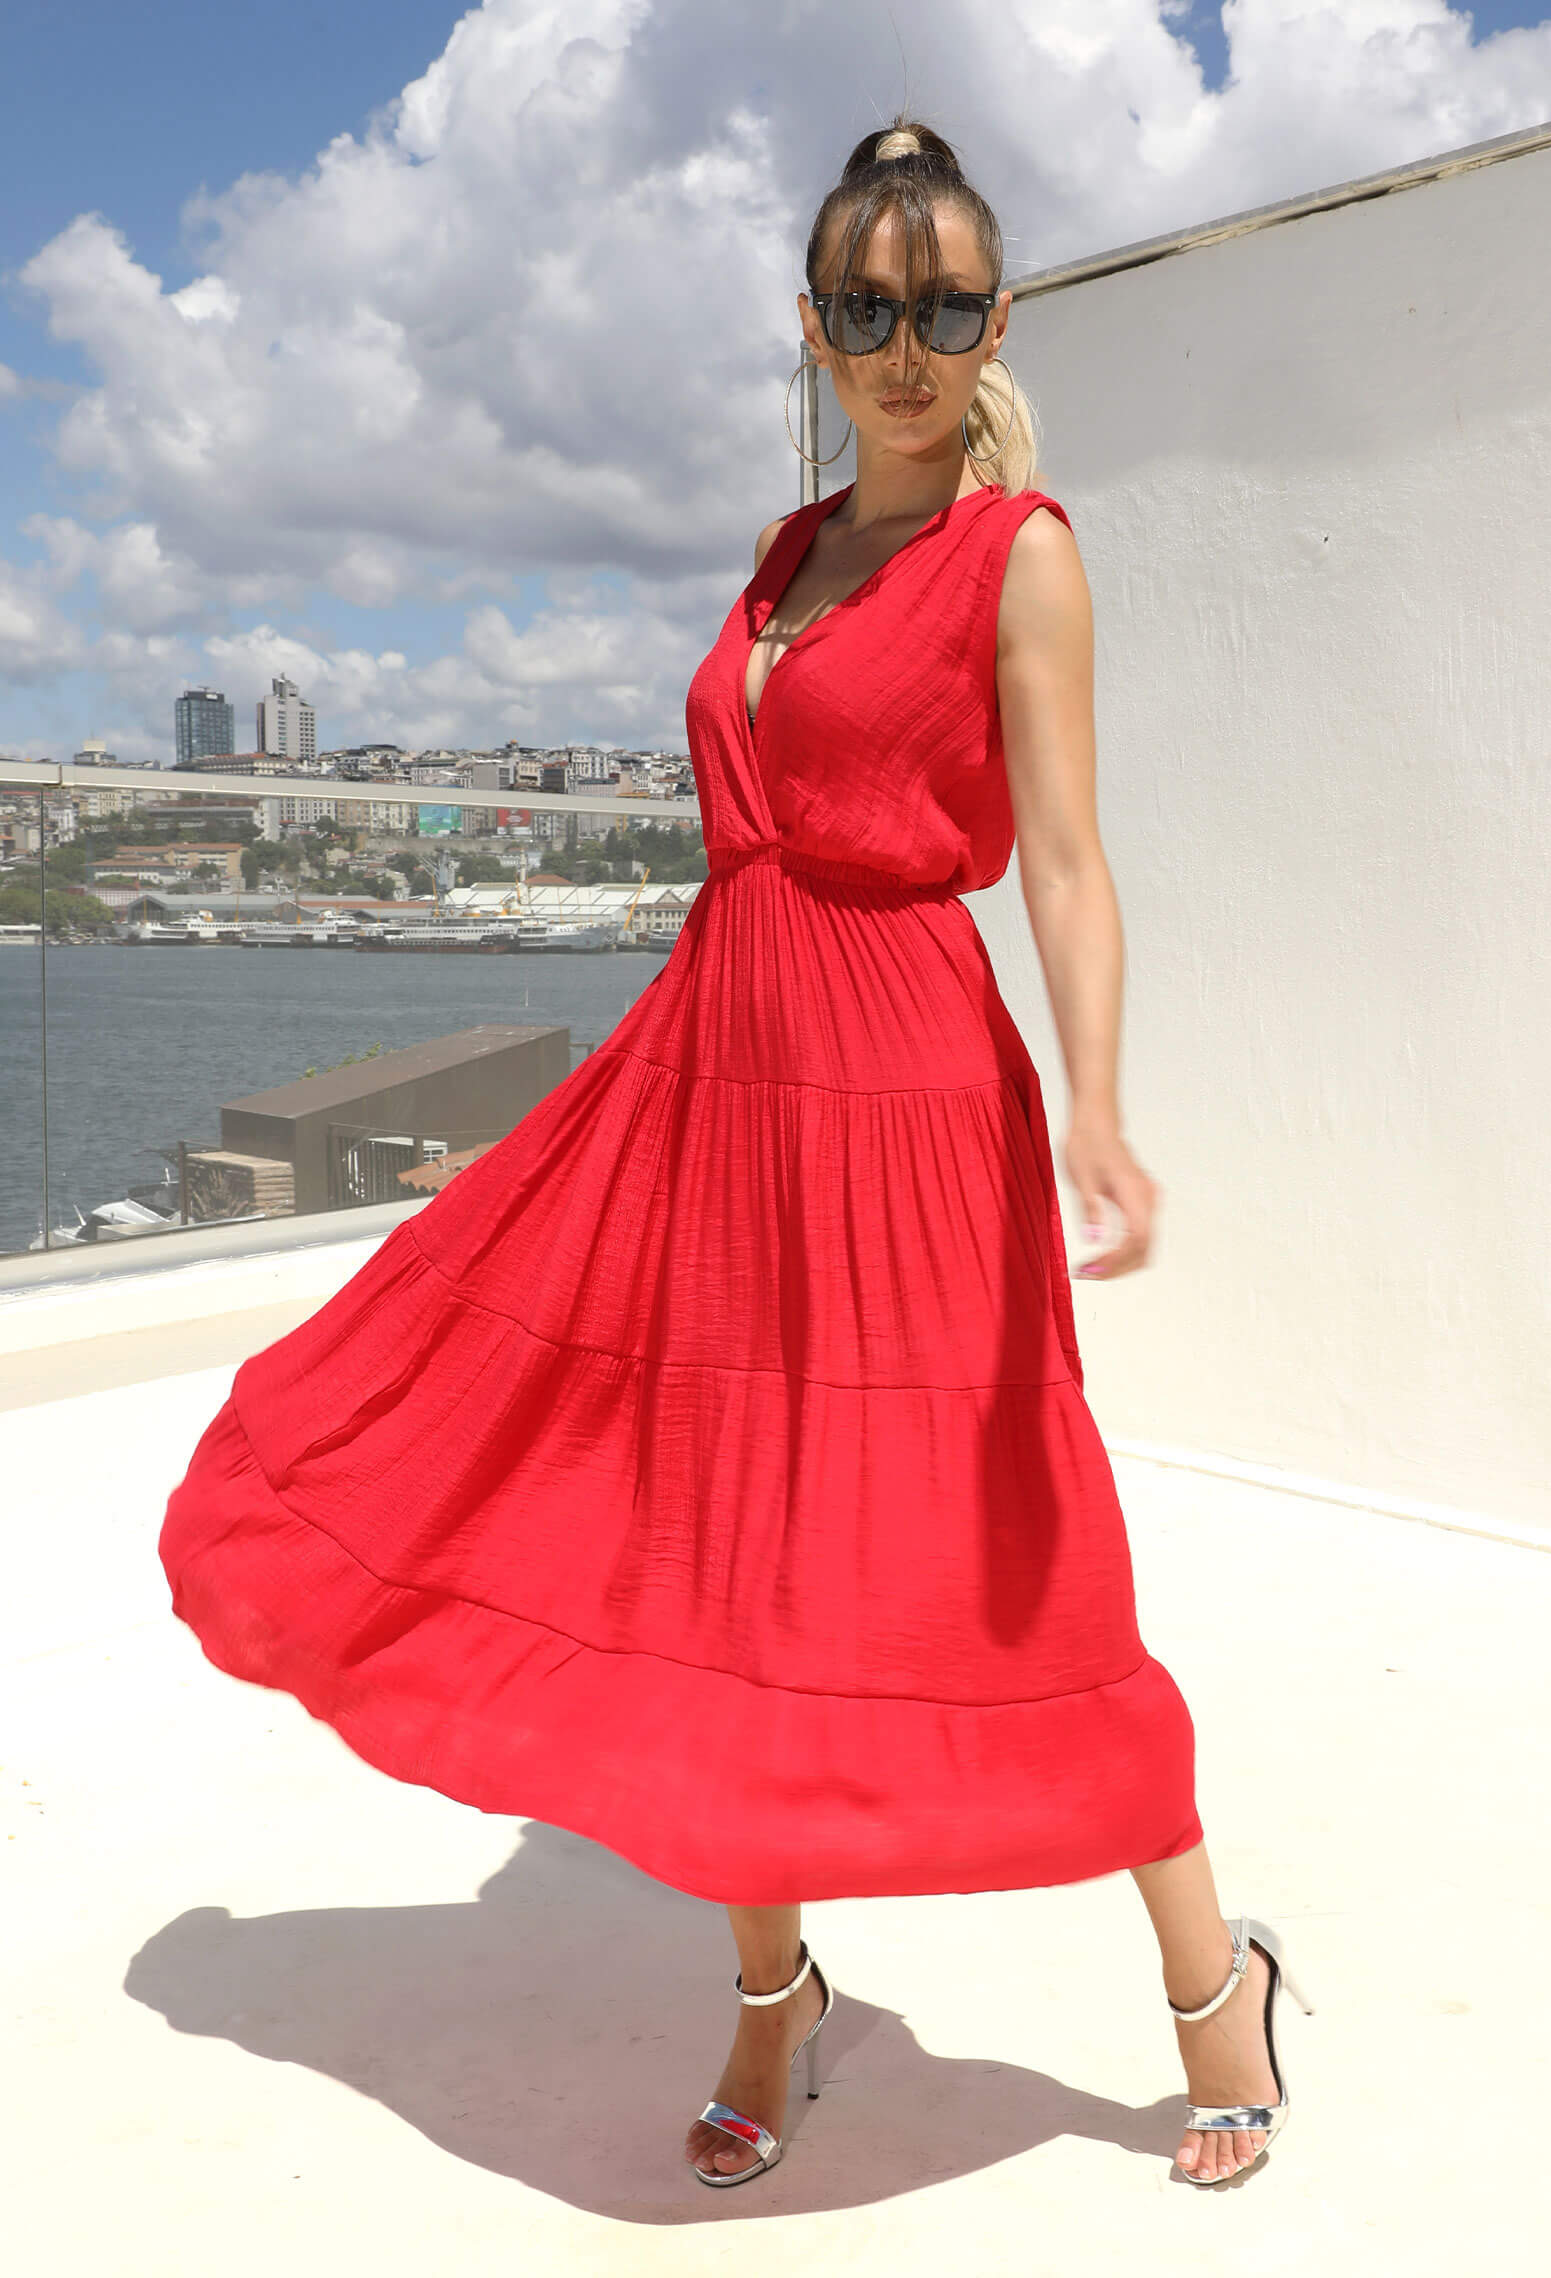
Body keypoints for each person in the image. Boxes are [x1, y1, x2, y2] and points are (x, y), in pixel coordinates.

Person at [158, 115, 1307, 2197]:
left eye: (941, 309)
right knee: (717, 1555)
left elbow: (1064, 858)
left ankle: (1212, 1975)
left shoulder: (1020, 551)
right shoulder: (783, 557)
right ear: (811, 325)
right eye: (864, 308)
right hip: (723, 1085)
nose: (902, 348)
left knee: (1017, 1543)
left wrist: (1099, 1104)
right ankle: (775, 1992)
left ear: (996, 324)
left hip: (903, 1091)